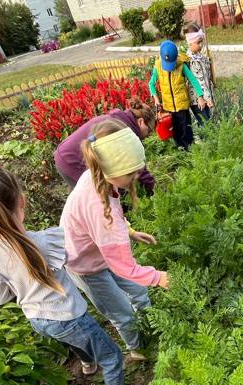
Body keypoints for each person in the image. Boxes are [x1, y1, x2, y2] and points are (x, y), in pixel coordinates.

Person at [0, 162, 148, 385]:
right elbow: (77, 258)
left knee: (76, 341)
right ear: (22, 201)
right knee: (112, 355)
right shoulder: (47, 241)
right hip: (70, 316)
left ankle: (87, 364)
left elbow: (0, 297)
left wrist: (21, 283)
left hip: (38, 320)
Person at [61, 118, 169, 365]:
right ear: (112, 170)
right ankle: (139, 350)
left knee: (139, 291)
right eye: (130, 173)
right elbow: (123, 265)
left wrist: (129, 231)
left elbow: (111, 220)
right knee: (123, 313)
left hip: (101, 251)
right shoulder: (97, 205)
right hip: (85, 267)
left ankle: (154, 329)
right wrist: (159, 277)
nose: (135, 177)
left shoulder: (98, 175)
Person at [53, 98, 157, 194]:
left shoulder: (120, 120)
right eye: (148, 130)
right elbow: (134, 163)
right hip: (72, 161)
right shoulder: (123, 130)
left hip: (66, 154)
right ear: (141, 122)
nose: (147, 135)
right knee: (103, 197)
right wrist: (153, 189)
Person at [149, 40, 206, 150]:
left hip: (182, 107)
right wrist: (155, 98)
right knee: (175, 132)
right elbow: (151, 83)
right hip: (168, 107)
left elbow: (193, 80)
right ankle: (180, 152)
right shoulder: (158, 67)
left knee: (186, 131)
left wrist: (200, 96)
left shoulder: (181, 66)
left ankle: (190, 152)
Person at [182, 24, 215, 126]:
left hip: (205, 96)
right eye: (198, 42)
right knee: (206, 125)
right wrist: (207, 98)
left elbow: (206, 77)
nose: (201, 45)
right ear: (190, 43)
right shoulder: (192, 60)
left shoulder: (199, 57)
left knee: (207, 123)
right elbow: (200, 81)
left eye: (201, 42)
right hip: (198, 99)